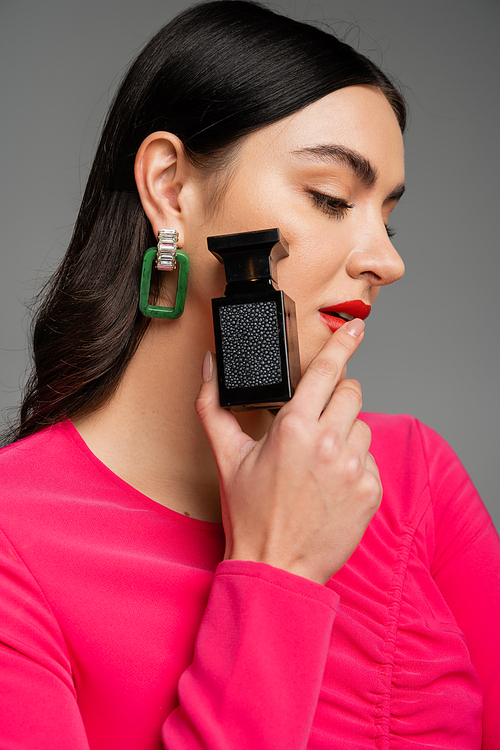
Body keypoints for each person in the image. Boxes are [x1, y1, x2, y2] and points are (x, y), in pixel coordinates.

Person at [1, 1, 499, 747]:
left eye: (385, 218)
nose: (386, 262)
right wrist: (277, 574)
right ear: (171, 187)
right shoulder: (15, 541)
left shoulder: (408, 475)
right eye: (330, 197)